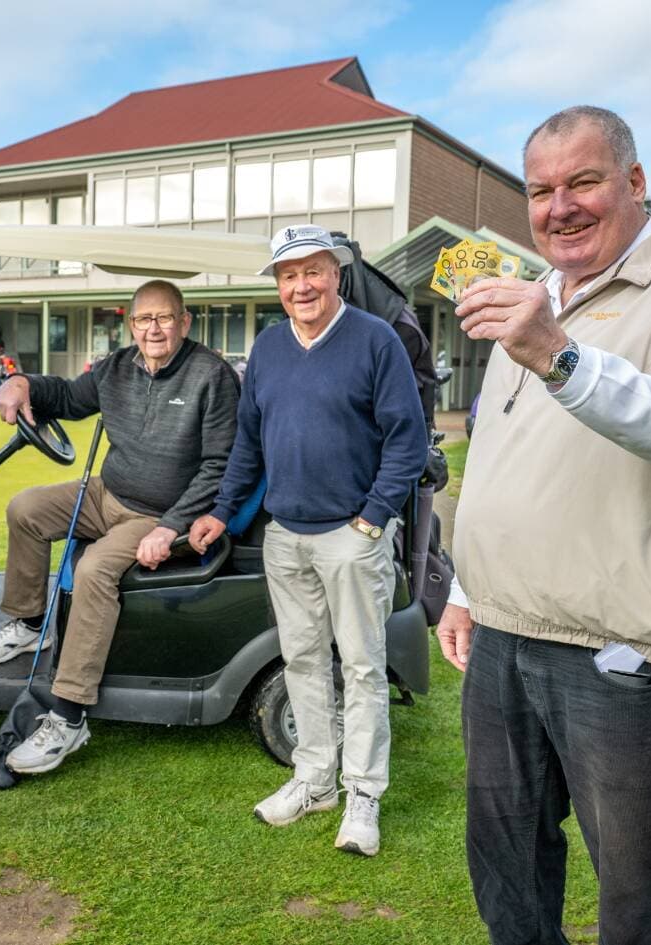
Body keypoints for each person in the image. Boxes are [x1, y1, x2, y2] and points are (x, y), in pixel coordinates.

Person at [439, 106, 651, 945]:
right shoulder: (537, 293)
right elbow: (509, 456)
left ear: (635, 182)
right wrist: (470, 587)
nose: (560, 207)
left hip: (623, 652)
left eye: (583, 182)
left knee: (638, 890)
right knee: (507, 859)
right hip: (507, 635)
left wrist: (562, 355)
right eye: (542, 191)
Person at [189, 225, 428, 858]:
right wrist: (222, 511)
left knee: (362, 667)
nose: (302, 286)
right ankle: (315, 780)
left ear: (336, 275)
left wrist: (373, 519)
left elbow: (408, 438)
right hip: (285, 536)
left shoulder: (375, 341)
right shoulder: (267, 348)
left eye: (314, 272)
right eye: (289, 276)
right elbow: (248, 441)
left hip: (352, 537)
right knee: (301, 661)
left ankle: (363, 795)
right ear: (277, 286)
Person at [0, 279, 240, 774]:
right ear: (131, 324)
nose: (154, 328)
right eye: (144, 319)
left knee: (95, 569)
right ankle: (32, 625)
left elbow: (218, 466)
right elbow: (70, 397)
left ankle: (70, 715)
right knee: (24, 507)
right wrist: (22, 382)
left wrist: (171, 527)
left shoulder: (212, 376)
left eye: (165, 318)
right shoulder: (117, 367)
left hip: (159, 515)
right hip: (106, 493)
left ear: (184, 323)